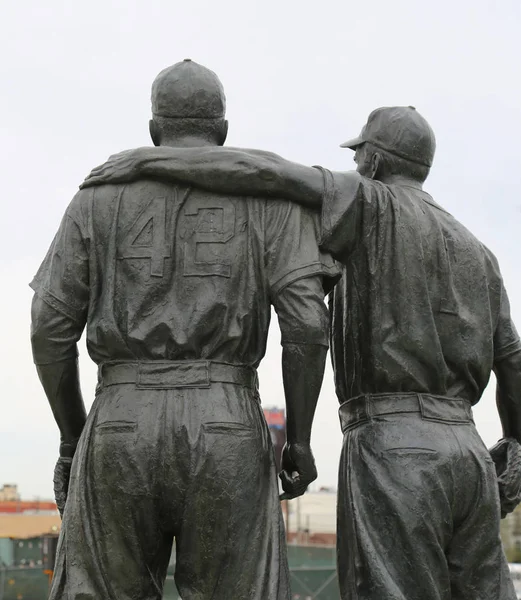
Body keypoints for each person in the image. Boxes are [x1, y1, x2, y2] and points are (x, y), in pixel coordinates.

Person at [83, 105, 521, 600]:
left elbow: (260, 171)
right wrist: (517, 445)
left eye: (358, 158)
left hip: (396, 447)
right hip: (469, 449)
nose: (354, 167)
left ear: (374, 162)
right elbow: (514, 361)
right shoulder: (478, 250)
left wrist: (146, 163)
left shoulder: (372, 202)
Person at [30, 59, 339, 600]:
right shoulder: (270, 202)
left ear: (154, 131)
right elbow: (308, 327)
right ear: (223, 132)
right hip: (227, 423)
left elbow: (48, 329)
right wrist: (301, 437)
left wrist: (73, 437)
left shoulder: (96, 196)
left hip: (120, 420)